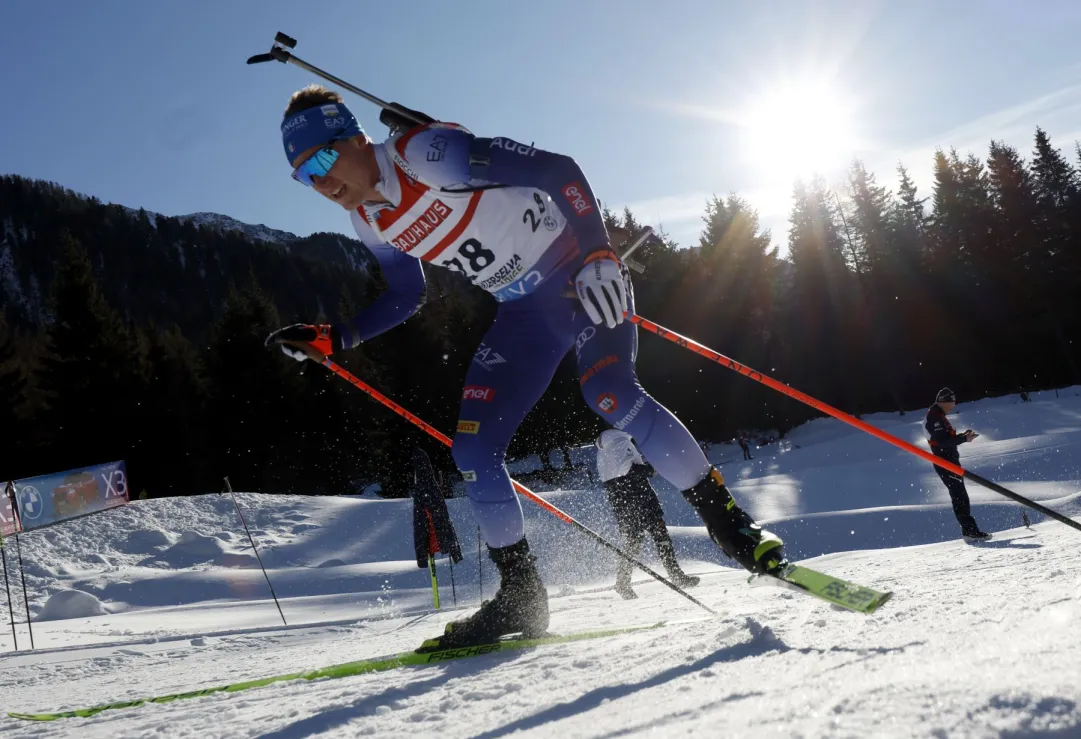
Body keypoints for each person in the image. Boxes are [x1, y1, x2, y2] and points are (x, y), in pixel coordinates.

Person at [264, 85, 786, 648]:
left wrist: (599, 254)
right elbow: (403, 293)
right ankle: (521, 596)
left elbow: (558, 170)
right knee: (472, 449)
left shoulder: (425, 154)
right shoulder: (368, 221)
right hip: (522, 312)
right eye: (302, 175)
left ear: (354, 138)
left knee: (608, 392)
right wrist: (338, 337)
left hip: (577, 276)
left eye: (320, 159)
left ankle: (730, 525)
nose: (319, 182)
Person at [596, 429, 699, 599]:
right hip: (638, 497)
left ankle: (622, 582)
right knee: (660, 536)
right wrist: (652, 469)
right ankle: (676, 576)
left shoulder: (603, 449)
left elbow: (614, 474)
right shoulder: (620, 440)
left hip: (620, 500)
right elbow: (627, 469)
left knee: (633, 541)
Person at [925, 388, 991, 542]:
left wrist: (963, 436)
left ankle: (969, 531)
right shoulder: (934, 417)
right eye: (951, 403)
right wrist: (964, 439)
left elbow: (945, 438)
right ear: (943, 401)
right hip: (945, 463)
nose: (952, 406)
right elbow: (943, 442)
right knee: (959, 497)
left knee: (961, 496)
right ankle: (970, 532)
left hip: (950, 461)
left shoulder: (938, 415)